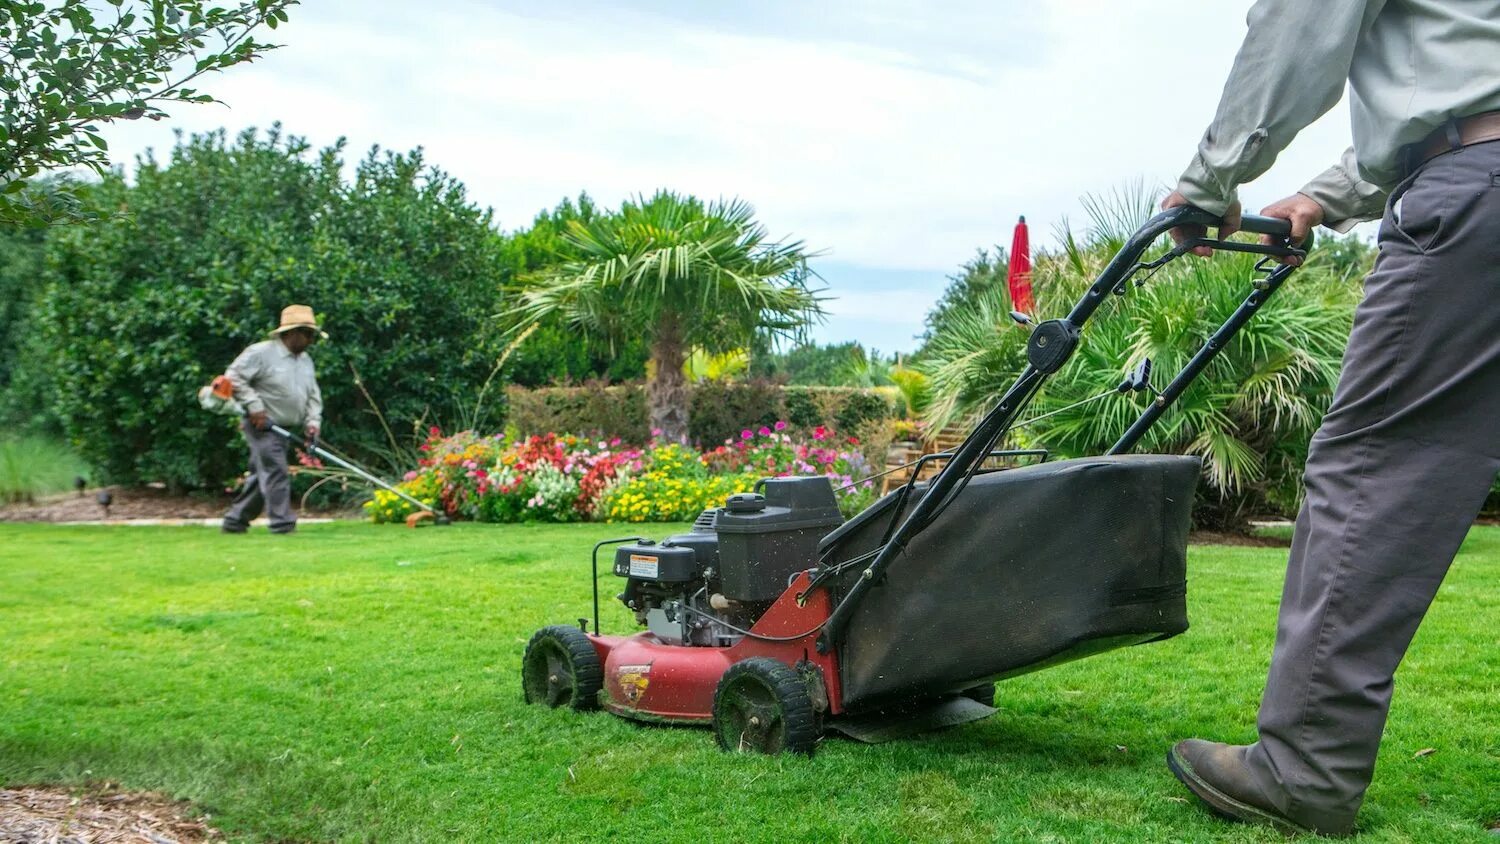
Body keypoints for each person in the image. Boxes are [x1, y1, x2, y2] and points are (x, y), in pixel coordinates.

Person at [1157, 0, 1500, 836]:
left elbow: (1303, 27)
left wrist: (1208, 184)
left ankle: (1305, 768)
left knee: (1375, 471)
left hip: (1476, 201)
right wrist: (1323, 194)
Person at [220, 305, 326, 535]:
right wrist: (255, 407)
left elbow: (312, 394)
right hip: (262, 425)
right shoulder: (261, 353)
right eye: (307, 334)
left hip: (285, 427)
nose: (310, 340)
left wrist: (312, 423)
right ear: (291, 333)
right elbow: (233, 377)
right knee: (276, 470)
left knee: (263, 475)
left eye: (312, 335)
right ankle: (282, 523)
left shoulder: (305, 360)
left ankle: (235, 521)